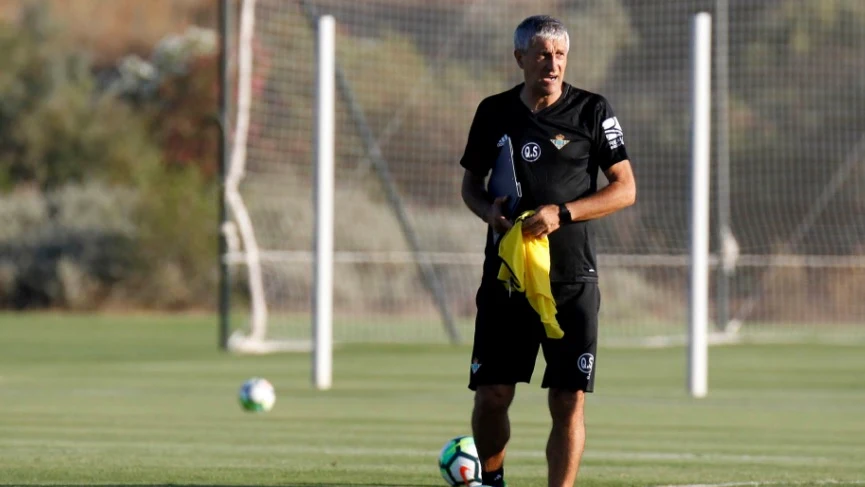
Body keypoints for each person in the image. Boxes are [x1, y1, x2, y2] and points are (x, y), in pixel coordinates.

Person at [459, 15, 636, 487]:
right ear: (520, 59)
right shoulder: (493, 112)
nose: (552, 64)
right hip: (507, 277)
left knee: (567, 399)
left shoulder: (592, 111)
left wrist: (564, 213)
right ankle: (491, 481)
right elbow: (470, 186)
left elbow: (624, 190)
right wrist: (487, 212)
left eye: (559, 55)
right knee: (492, 395)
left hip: (572, 278)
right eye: (542, 55)